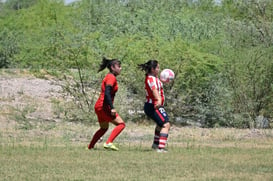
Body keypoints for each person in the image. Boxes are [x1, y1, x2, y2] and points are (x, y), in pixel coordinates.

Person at [88, 57, 126, 151]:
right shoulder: (111, 77)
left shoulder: (109, 77)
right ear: (113, 67)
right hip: (104, 106)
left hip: (98, 106)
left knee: (103, 128)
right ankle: (109, 143)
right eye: (119, 66)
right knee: (121, 124)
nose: (120, 68)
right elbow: (107, 93)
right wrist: (112, 108)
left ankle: (90, 147)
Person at [138, 60, 171, 153]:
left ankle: (155, 144)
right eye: (157, 68)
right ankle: (161, 148)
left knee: (160, 124)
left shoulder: (153, 77)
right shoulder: (151, 79)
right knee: (166, 124)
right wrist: (159, 100)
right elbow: (154, 90)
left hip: (152, 105)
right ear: (152, 69)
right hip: (153, 105)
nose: (159, 70)